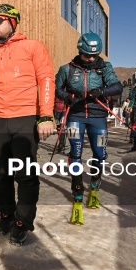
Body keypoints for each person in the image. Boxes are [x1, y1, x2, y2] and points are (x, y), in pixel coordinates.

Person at [0, 3, 55, 246]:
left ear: (13, 21)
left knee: (26, 175)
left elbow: (46, 80)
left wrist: (46, 115)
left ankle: (23, 221)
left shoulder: (33, 47)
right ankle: (7, 215)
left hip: (25, 118)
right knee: (1, 174)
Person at [55, 32, 122, 216]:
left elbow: (117, 87)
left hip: (97, 117)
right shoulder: (67, 69)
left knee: (99, 155)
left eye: (95, 55)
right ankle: (77, 193)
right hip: (76, 116)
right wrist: (67, 97)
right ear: (79, 50)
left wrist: (100, 91)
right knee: (75, 155)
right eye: (87, 55)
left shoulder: (104, 68)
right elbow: (57, 90)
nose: (91, 59)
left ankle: (95, 188)